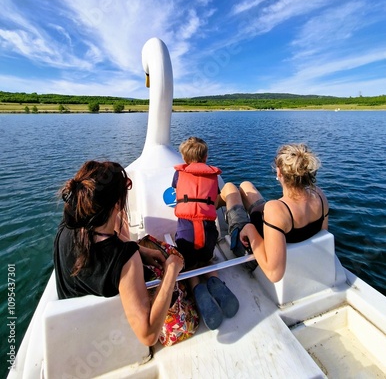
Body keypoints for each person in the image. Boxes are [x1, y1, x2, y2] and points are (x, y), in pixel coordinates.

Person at [54, 160, 184, 347]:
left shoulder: (68, 226)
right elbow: (148, 336)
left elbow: (103, 238)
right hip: (108, 339)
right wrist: (171, 271)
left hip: (72, 333)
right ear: (117, 203)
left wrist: (140, 249)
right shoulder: (124, 259)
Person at [220, 143, 329, 283]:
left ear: (279, 172)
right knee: (245, 185)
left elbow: (274, 274)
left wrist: (250, 229)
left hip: (255, 255)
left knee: (230, 189)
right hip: (283, 230)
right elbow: (323, 234)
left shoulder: (276, 209)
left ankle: (206, 211)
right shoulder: (319, 195)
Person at [172, 137, 239, 330]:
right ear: (206, 157)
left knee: (191, 267)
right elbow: (213, 196)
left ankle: (197, 288)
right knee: (207, 260)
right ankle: (215, 281)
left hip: (186, 236)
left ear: (184, 158)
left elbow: (176, 191)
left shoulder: (178, 175)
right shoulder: (213, 176)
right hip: (208, 235)